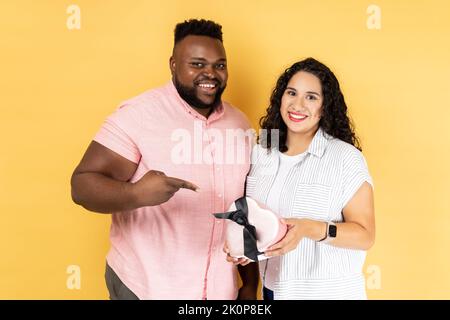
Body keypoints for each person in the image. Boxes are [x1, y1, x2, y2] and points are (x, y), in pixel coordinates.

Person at [71, 19, 259, 300]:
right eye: (197, 64)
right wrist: (135, 194)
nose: (210, 73)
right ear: (173, 64)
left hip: (222, 290)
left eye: (219, 65)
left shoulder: (240, 123)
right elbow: (81, 185)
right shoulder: (138, 115)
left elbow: (245, 210)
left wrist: (247, 285)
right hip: (146, 287)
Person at [227, 57, 375, 300]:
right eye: (292, 93)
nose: (298, 105)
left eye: (311, 97)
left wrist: (307, 228)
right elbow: (260, 224)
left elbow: (365, 235)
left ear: (325, 106)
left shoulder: (345, 158)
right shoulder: (260, 154)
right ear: (281, 98)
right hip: (273, 292)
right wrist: (244, 245)